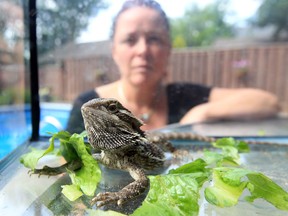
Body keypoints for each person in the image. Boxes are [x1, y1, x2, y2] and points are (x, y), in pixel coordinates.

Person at [66, 0, 280, 134]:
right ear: (114, 51)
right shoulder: (90, 106)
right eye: (130, 40)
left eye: (154, 39)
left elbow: (268, 102)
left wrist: (203, 112)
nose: (143, 50)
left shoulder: (184, 97)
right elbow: (70, 168)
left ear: (168, 50)